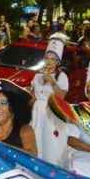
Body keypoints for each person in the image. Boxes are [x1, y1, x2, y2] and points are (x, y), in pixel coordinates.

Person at [31, 37, 70, 165]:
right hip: (37, 113)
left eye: (53, 59)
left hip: (51, 113)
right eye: (47, 58)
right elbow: (33, 96)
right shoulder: (37, 75)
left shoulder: (62, 76)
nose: (49, 62)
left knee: (50, 142)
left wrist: (53, 82)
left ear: (58, 62)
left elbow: (61, 98)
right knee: (36, 139)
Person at [0, 79, 37, 155]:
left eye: (3, 103)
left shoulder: (24, 131)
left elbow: (33, 156)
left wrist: (1, 145)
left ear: (14, 108)